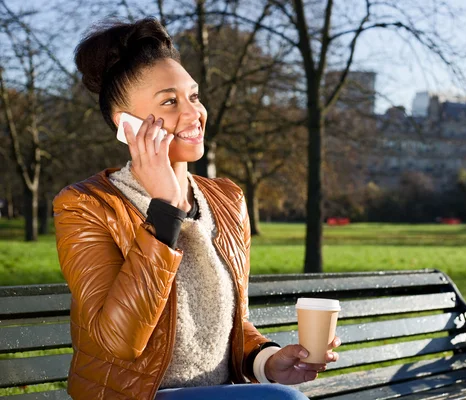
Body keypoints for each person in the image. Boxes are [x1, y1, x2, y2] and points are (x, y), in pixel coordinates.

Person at [53, 17, 340, 400]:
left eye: (194, 96)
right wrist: (165, 211)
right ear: (128, 126)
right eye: (170, 101)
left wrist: (267, 361)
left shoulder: (226, 199)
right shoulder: (86, 206)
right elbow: (118, 341)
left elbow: (227, 324)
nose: (194, 114)